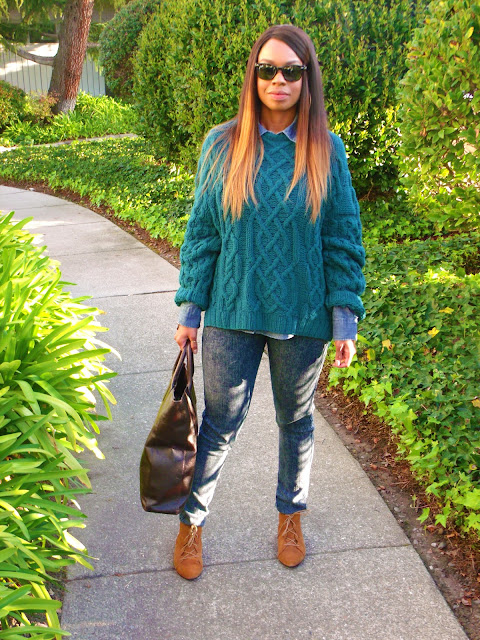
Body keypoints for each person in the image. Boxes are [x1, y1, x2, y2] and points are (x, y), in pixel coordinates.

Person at [173, 24, 366, 580]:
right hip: (232, 311)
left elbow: (342, 236)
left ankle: (290, 516)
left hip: (303, 317)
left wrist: (343, 317)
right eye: (267, 69)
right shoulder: (222, 144)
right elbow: (203, 234)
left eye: (291, 71)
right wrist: (191, 311)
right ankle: (191, 523)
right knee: (218, 425)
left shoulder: (325, 149)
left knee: (296, 421)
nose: (278, 80)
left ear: (307, 79)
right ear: (253, 77)